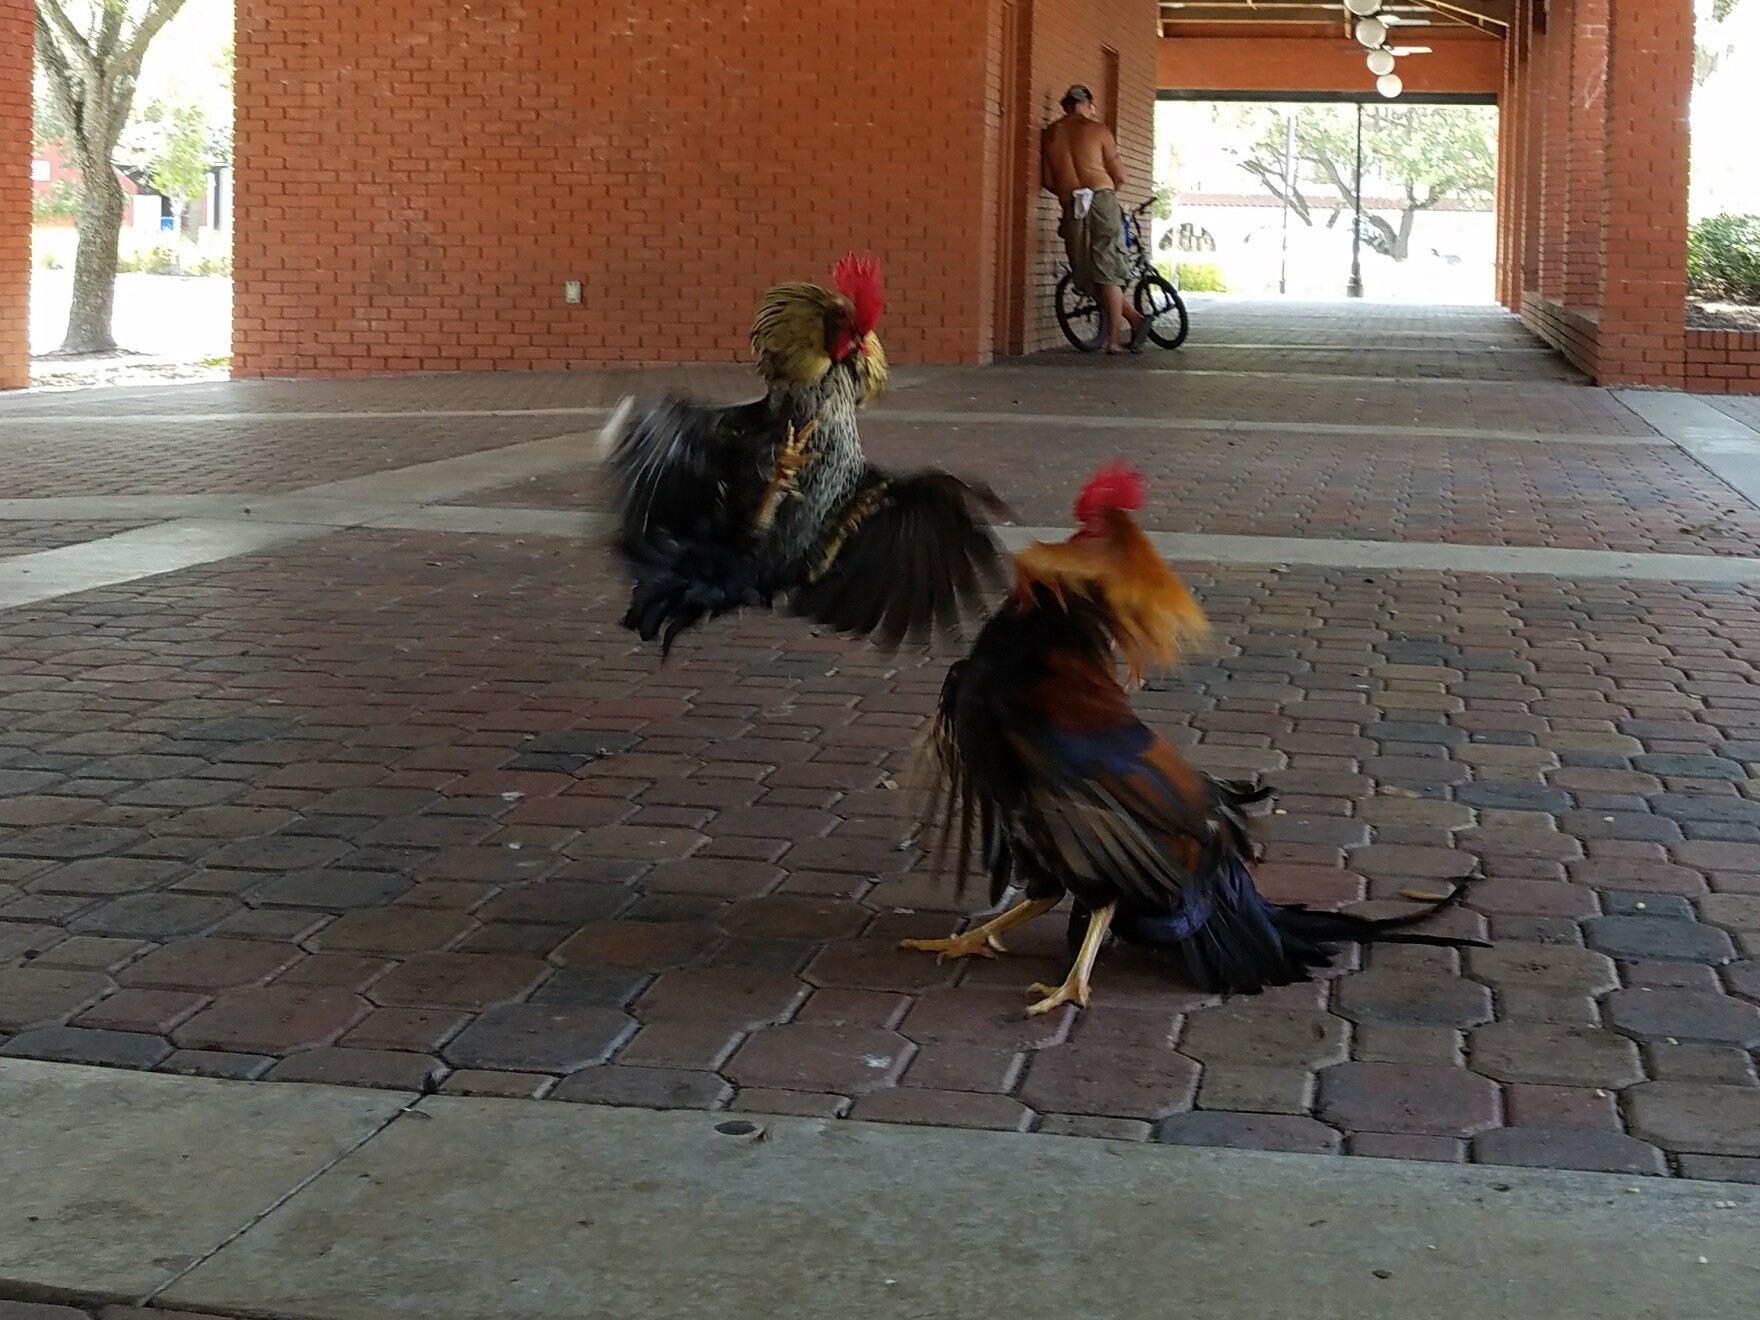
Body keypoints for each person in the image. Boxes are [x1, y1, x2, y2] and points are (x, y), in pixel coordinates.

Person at [1041, 84, 1148, 355]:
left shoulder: (1051, 134)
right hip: (1100, 198)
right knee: (1109, 268)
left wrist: (1072, 194)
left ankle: (1134, 319)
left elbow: (1048, 181)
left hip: (1071, 202)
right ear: (1087, 103)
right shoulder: (1098, 129)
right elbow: (1120, 176)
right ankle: (1115, 339)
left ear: (1065, 106)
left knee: (1085, 271)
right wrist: (1103, 194)